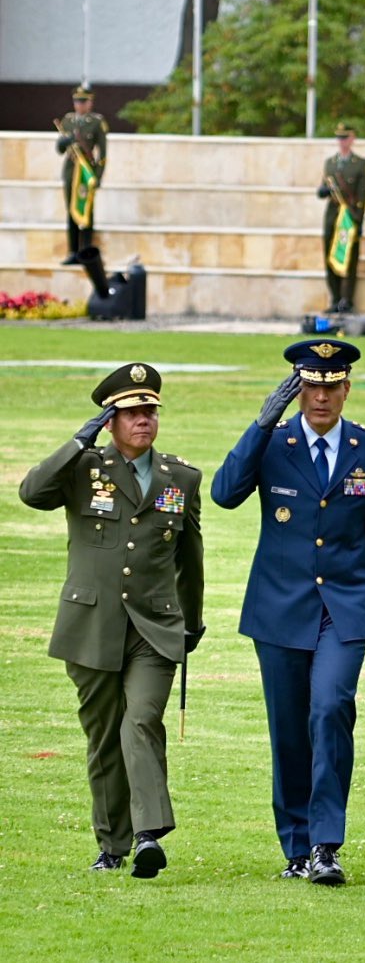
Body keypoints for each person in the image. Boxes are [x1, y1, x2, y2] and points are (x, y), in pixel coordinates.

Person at [210, 340, 365, 886]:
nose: (321, 396)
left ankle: (324, 845)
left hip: (345, 608)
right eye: (310, 386)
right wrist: (259, 424)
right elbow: (225, 494)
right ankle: (295, 846)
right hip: (280, 608)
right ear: (298, 390)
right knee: (289, 728)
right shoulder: (273, 443)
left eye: (331, 385)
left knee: (331, 708)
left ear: (346, 388)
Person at [18, 363, 204, 878]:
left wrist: (193, 621)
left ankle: (148, 835)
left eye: (150, 411)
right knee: (103, 738)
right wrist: (76, 442)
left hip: (154, 627)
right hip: (90, 624)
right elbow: (31, 493)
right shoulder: (82, 468)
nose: (143, 420)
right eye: (131, 412)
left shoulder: (182, 477)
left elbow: (191, 556)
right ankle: (112, 845)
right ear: (110, 420)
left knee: (141, 719)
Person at [317, 123, 365, 313]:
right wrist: (322, 191)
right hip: (333, 217)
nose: (342, 142)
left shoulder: (360, 164)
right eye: (339, 138)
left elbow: (362, 195)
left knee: (349, 258)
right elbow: (322, 190)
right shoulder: (330, 163)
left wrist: (358, 221)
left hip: (349, 217)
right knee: (330, 257)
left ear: (352, 138)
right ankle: (335, 298)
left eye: (345, 138)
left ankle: (347, 300)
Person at [55, 84, 108, 264]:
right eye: (77, 101)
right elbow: (60, 149)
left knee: (86, 211)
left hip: (86, 172)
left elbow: (103, 153)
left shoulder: (96, 122)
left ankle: (85, 251)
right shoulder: (68, 121)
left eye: (83, 101)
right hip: (71, 170)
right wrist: (65, 141)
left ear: (90, 102)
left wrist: (98, 176)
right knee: (71, 210)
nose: (80, 105)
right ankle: (72, 251)